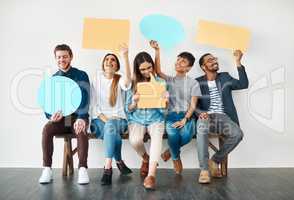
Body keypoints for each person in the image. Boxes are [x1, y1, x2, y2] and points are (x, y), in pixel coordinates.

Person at [39, 44, 90, 184]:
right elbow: (48, 103)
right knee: (47, 129)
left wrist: (81, 118)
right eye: (59, 57)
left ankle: (82, 169)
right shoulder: (53, 79)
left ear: (71, 57)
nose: (62, 59)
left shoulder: (81, 75)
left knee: (81, 130)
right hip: (61, 119)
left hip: (77, 117)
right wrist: (51, 116)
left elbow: (85, 98)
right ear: (55, 59)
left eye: (65, 56)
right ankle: (47, 169)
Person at [196, 50, 249, 184]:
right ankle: (204, 170)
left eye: (214, 58)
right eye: (209, 60)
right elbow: (191, 103)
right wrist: (199, 112)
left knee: (237, 134)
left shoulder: (225, 77)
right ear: (203, 67)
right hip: (205, 116)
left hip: (222, 117)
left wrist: (238, 62)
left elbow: (243, 84)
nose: (214, 61)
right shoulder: (197, 82)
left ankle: (214, 160)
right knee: (202, 129)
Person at [150, 40, 202, 174]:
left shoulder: (193, 83)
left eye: (183, 61)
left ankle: (171, 150)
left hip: (187, 115)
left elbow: (193, 104)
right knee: (172, 134)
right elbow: (157, 71)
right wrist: (157, 51)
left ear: (189, 68)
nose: (178, 62)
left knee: (187, 135)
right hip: (171, 115)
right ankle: (175, 157)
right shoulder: (169, 80)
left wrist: (185, 119)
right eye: (178, 59)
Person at [90, 44, 132, 185]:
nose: (109, 61)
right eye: (107, 59)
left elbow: (128, 82)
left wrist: (125, 56)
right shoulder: (96, 80)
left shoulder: (119, 79)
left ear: (116, 66)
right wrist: (107, 119)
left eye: (113, 59)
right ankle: (119, 161)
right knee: (114, 134)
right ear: (103, 64)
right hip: (99, 121)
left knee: (111, 128)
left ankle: (107, 167)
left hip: (120, 120)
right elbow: (94, 105)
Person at [126, 51, 168, 190]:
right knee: (135, 140)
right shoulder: (132, 83)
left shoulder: (161, 82)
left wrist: (164, 101)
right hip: (137, 119)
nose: (146, 71)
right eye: (142, 69)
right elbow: (129, 109)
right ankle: (146, 158)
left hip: (156, 118)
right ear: (137, 69)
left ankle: (151, 176)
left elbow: (164, 111)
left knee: (157, 138)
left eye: (149, 67)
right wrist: (134, 101)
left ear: (152, 66)